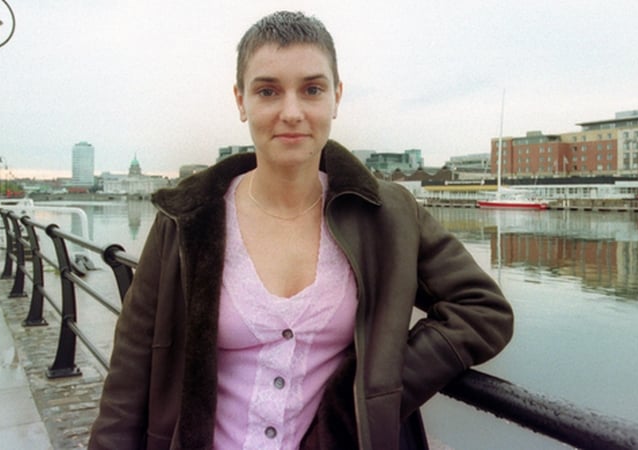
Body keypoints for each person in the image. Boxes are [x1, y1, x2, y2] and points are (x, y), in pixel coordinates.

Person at [89, 11, 513, 450]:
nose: (291, 113)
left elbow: (483, 310)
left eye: (312, 89)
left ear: (336, 97)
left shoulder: (387, 215)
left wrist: (373, 390)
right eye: (268, 91)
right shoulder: (185, 220)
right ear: (240, 101)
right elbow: (129, 379)